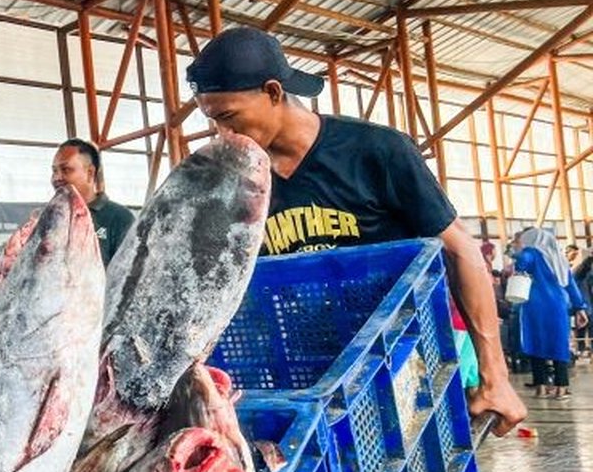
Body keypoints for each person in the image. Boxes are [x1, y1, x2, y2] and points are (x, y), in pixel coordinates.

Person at [185, 26, 527, 436]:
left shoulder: (376, 152)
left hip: (397, 367)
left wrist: (495, 376)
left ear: (274, 92)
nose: (223, 134)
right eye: (213, 121)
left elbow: (460, 251)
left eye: (228, 117)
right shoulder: (233, 184)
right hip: (303, 379)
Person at [514, 227, 588, 400]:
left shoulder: (531, 253)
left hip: (534, 306)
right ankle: (561, 388)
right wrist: (580, 308)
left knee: (535, 343)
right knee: (559, 344)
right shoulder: (559, 259)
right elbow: (571, 285)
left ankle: (541, 387)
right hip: (558, 307)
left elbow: (521, 263)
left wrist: (517, 249)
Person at [50, 138, 135, 266]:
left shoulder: (120, 218)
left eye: (66, 169)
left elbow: (130, 274)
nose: (56, 178)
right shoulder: (51, 218)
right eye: (54, 171)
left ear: (90, 173)